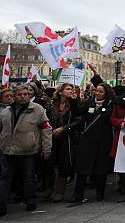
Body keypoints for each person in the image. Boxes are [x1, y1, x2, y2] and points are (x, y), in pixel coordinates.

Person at [0, 85, 51, 215]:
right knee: (5, 177)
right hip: (8, 150)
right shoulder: (6, 111)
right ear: (15, 96)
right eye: (20, 94)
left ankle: (30, 200)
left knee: (28, 177)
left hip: (27, 149)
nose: (23, 97)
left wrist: (46, 147)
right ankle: (2, 204)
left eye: (25, 94)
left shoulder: (37, 109)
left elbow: (46, 128)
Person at [69, 83, 115, 203]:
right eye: (96, 91)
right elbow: (78, 112)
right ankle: (78, 195)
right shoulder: (89, 103)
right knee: (82, 168)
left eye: (100, 92)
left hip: (103, 140)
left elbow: (107, 119)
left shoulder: (110, 104)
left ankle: (100, 194)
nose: (97, 93)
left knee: (101, 168)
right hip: (88, 140)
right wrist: (74, 101)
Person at [47, 83, 80, 203]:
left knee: (64, 164)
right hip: (52, 138)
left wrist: (64, 129)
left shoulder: (73, 104)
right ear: (60, 92)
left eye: (71, 89)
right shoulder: (51, 105)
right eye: (68, 89)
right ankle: (50, 189)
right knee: (49, 164)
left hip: (67, 138)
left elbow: (78, 121)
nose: (70, 91)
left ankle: (60, 192)